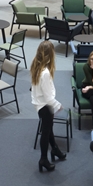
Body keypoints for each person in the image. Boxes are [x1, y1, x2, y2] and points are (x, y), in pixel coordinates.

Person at [31, 40, 66, 171]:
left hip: (39, 104)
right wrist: (58, 105)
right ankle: (43, 159)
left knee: (49, 128)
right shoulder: (45, 73)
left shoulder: (36, 66)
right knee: (45, 132)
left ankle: (55, 149)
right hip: (45, 106)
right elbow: (49, 98)